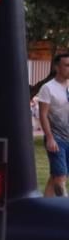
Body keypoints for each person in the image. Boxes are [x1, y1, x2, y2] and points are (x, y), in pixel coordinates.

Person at [38, 53, 69, 198]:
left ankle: (45, 209)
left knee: (56, 176)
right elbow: (43, 114)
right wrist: (50, 138)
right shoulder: (48, 88)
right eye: (67, 65)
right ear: (57, 67)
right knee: (60, 178)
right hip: (56, 139)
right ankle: (65, 209)